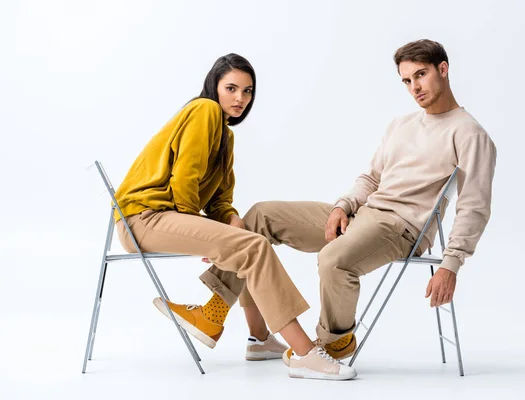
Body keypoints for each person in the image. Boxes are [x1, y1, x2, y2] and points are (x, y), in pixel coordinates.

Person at [199, 39, 497, 365]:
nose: (414, 87)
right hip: (363, 214)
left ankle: (332, 343)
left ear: (443, 69)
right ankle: (238, 327)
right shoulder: (402, 125)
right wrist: (343, 206)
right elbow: (370, 179)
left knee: (333, 260)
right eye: (407, 80)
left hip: (401, 228)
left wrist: (450, 265)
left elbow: (474, 207)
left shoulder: (470, 134)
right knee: (259, 216)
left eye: (421, 75)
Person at [113, 53, 357, 381]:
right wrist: (200, 230)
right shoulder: (205, 109)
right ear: (214, 86)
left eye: (247, 91)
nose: (240, 98)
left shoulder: (225, 135)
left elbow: (219, 198)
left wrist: (230, 219)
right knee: (253, 248)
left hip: (160, 217)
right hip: (144, 217)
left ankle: (258, 339)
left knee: (249, 236)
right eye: (231, 88)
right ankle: (305, 353)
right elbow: (185, 176)